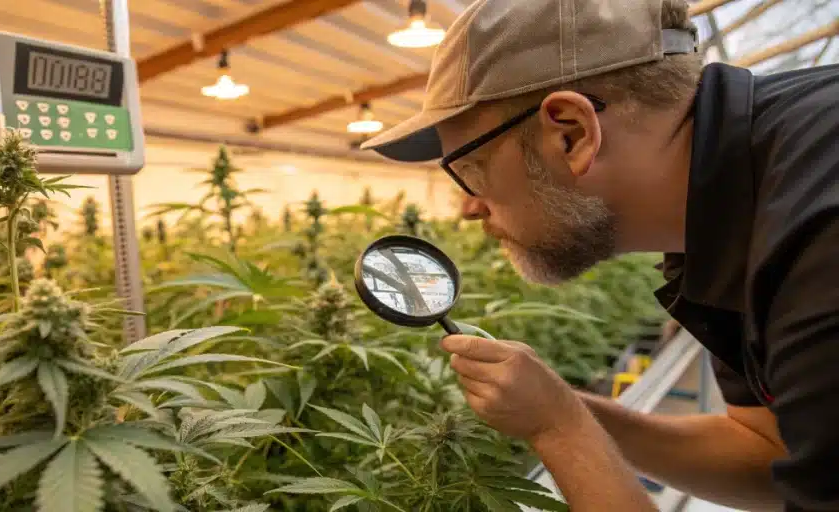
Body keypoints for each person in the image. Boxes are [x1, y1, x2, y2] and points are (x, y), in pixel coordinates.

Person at [360, 0, 839, 510]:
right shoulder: (724, 209)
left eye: (471, 169)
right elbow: (767, 454)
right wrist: (565, 407)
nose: (467, 208)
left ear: (572, 133)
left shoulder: (817, 240)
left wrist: (560, 430)